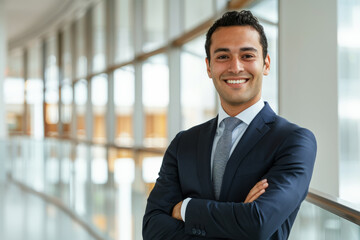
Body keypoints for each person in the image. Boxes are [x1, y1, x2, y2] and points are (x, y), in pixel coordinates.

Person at [143, 10, 316, 240]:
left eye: (247, 56)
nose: (235, 67)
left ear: (265, 64)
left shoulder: (293, 141)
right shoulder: (183, 143)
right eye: (223, 57)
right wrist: (237, 220)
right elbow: (153, 229)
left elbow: (257, 222)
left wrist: (185, 208)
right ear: (209, 67)